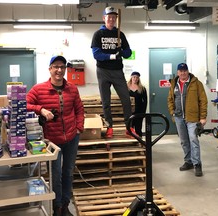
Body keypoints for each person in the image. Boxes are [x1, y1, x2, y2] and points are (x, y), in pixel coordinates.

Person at [26, 55, 85, 216]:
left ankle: (65, 205)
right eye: (56, 66)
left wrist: (79, 127)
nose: (59, 70)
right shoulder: (39, 89)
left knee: (67, 172)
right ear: (50, 69)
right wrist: (41, 109)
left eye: (62, 67)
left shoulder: (72, 88)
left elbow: (79, 109)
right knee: (56, 175)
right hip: (52, 141)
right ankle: (56, 207)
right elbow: (25, 103)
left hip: (72, 138)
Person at [91, 6, 136, 138]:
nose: (111, 19)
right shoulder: (98, 34)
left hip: (117, 71)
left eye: (113, 17)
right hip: (103, 71)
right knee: (106, 101)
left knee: (126, 99)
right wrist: (112, 56)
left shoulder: (120, 34)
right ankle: (109, 126)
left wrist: (121, 50)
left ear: (116, 19)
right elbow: (96, 54)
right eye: (109, 17)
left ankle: (129, 127)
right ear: (104, 18)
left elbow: (128, 53)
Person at [167, 63, 207, 177]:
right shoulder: (174, 84)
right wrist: (172, 112)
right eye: (181, 71)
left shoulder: (196, 83)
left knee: (193, 139)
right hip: (179, 117)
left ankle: (197, 164)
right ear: (178, 72)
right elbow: (170, 99)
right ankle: (188, 161)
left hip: (192, 117)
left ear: (188, 71)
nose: (183, 73)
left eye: (185, 70)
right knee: (184, 141)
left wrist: (203, 117)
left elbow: (203, 100)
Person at [127, 71, 148, 137]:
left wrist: (143, 113)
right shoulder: (126, 87)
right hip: (129, 111)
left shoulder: (142, 88)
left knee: (138, 128)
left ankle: (140, 142)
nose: (135, 79)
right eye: (134, 77)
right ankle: (131, 143)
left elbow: (145, 101)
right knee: (130, 128)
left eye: (137, 77)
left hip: (139, 111)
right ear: (131, 77)